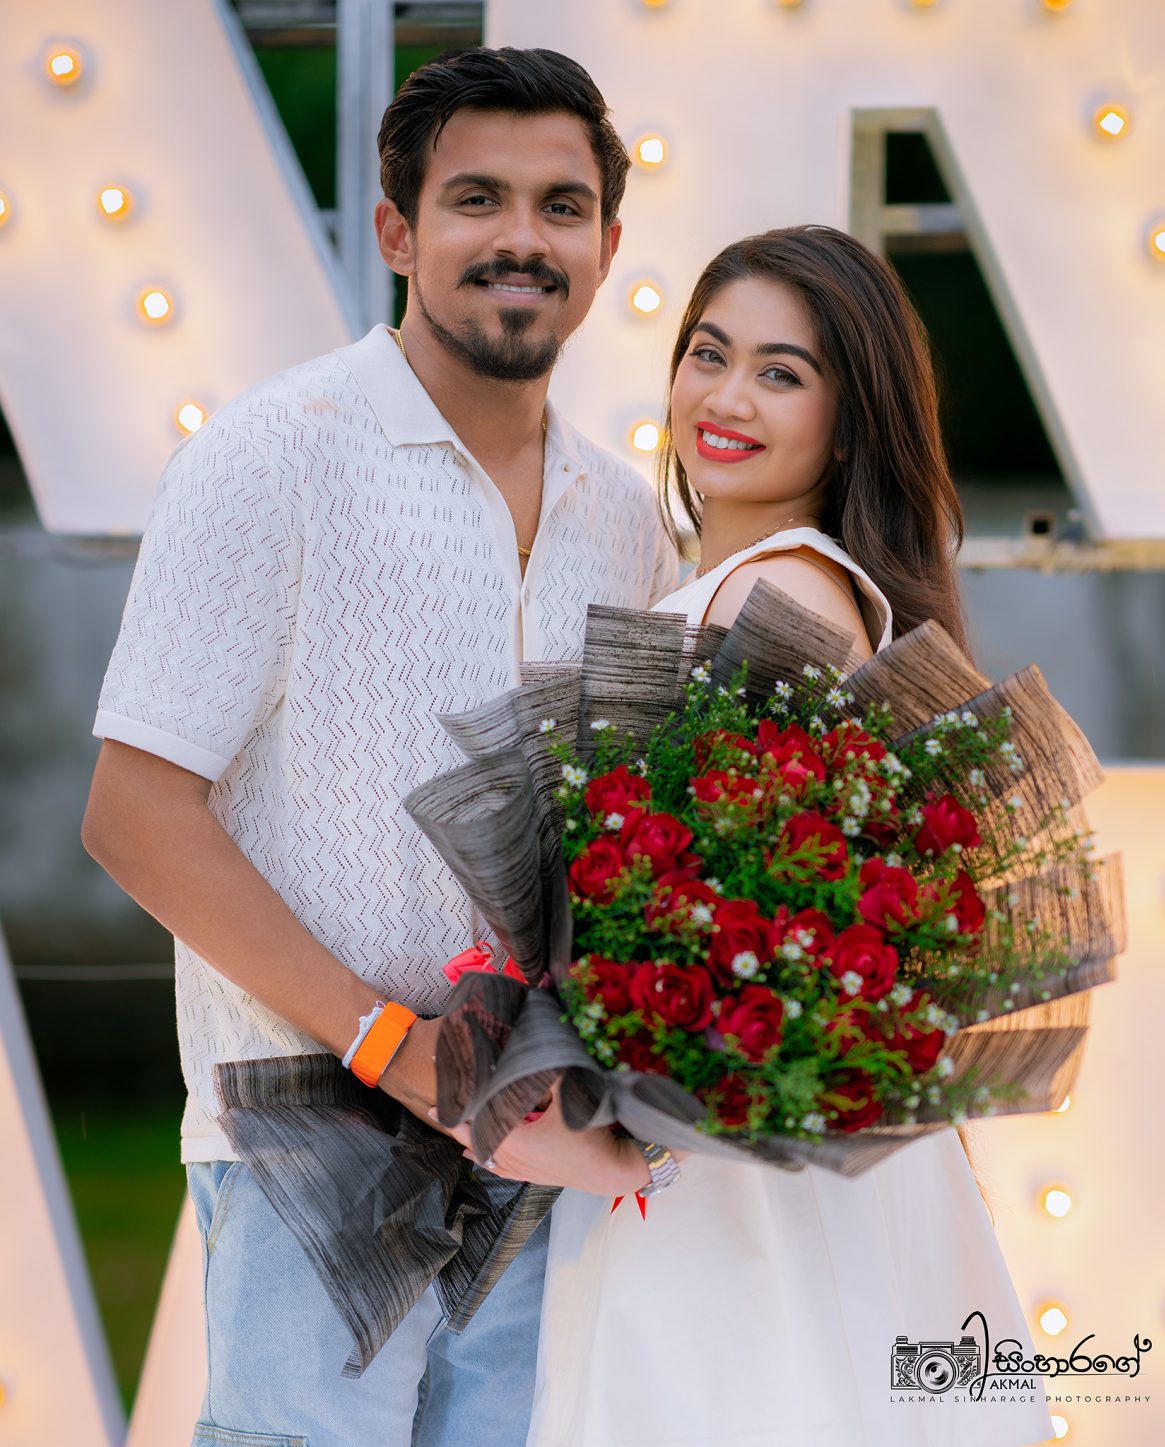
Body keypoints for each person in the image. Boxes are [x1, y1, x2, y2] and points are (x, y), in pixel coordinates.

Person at [82, 47, 675, 1447]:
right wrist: (384, 1039)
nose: (522, 238)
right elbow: (134, 812)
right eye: (478, 199)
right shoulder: (270, 456)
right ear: (399, 232)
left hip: (537, 1145)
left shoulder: (624, 518)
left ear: (606, 250)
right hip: (307, 1140)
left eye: (561, 206)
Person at [523, 226, 1054, 1447]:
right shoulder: (731, 584)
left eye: (781, 373)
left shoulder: (784, 593)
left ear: (850, 421)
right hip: (717, 1153)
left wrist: (596, 1083)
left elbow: (760, 928)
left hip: (733, 1186)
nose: (726, 398)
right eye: (709, 353)